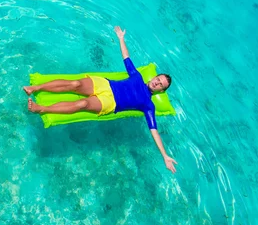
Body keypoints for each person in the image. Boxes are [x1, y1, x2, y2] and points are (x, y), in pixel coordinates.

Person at [24, 26, 178, 173]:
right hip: (106, 84)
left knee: (82, 104)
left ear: (161, 91)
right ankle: (36, 88)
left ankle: (42, 108)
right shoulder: (137, 76)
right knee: (75, 83)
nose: (157, 82)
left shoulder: (148, 105)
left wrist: (164, 155)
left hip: (111, 103)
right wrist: (121, 38)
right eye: (158, 79)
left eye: (160, 84)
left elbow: (154, 131)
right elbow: (126, 58)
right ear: (155, 77)